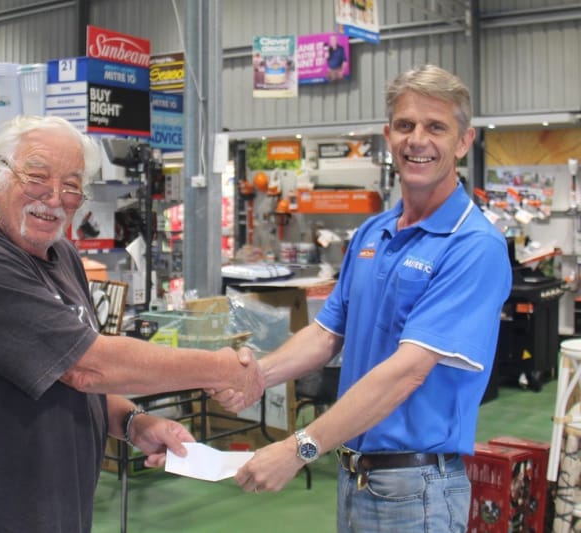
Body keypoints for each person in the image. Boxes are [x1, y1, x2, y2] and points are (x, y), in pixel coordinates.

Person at [0, 115, 264, 533]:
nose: (55, 197)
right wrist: (219, 369)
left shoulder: (61, 256)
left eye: (72, 185)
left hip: (42, 510)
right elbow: (87, 367)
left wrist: (133, 422)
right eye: (37, 177)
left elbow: (62, 369)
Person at [218, 65, 512, 532]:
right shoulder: (373, 232)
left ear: (463, 141)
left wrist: (299, 448)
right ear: (387, 135)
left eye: (436, 127)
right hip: (357, 477)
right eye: (405, 125)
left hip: (417, 488)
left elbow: (406, 373)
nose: (418, 139)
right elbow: (326, 333)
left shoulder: (473, 246)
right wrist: (259, 375)